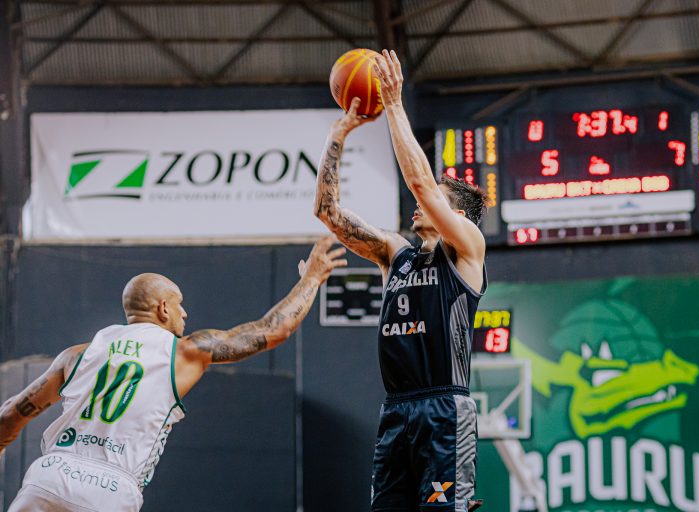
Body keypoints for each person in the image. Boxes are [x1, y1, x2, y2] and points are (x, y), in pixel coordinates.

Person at [0, 236, 346, 512]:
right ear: (163, 308)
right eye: (179, 304)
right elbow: (273, 330)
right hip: (110, 488)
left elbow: (10, 416)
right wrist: (312, 278)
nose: (185, 313)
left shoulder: (77, 355)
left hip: (50, 475)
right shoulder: (184, 351)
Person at [314, 49, 488, 512]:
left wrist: (393, 104)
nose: (420, 205)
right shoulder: (396, 254)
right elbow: (328, 213)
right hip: (396, 409)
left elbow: (420, 185)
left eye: (436, 201)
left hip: (444, 408)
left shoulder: (466, 247)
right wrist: (336, 137)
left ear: (456, 213)